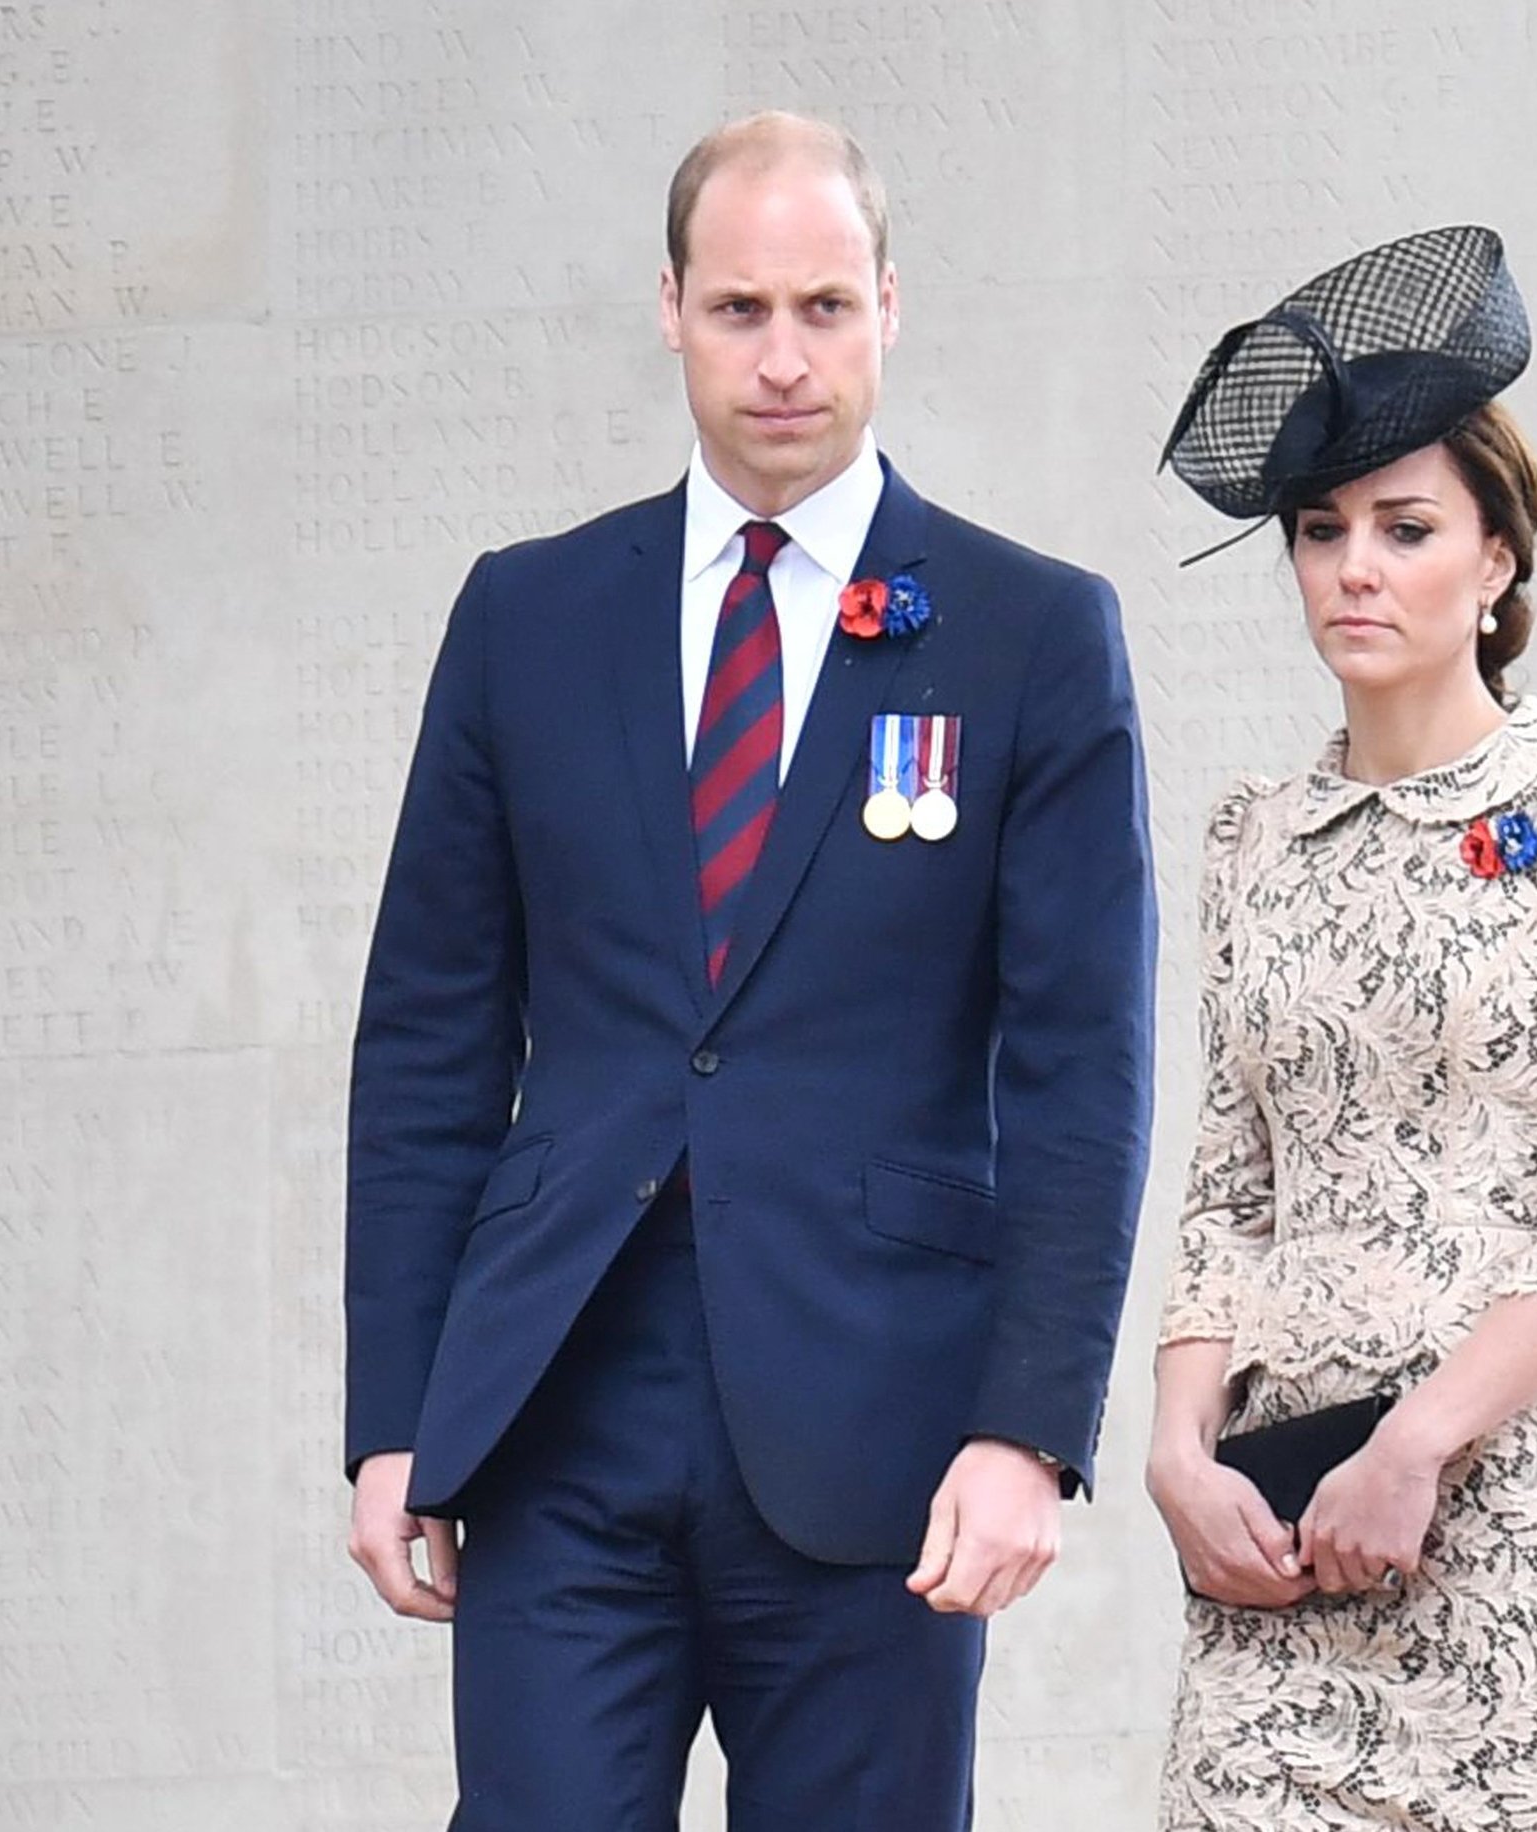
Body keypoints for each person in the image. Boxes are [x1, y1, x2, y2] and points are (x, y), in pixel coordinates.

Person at [340, 112, 1155, 1829]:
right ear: (669, 309)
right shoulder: (525, 616)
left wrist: (1030, 1430)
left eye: (825, 308)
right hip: (557, 1410)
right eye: (738, 311)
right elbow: (426, 1041)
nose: (784, 360)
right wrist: (392, 1420)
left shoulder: (1027, 633)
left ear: (889, 309)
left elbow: (1088, 1073)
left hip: (882, 1439)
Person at [1147, 225, 1537, 1832]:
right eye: (1320, 531)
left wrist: (1418, 1442)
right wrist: (1178, 1453)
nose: (1354, 567)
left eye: (1406, 528)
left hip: (1515, 1542)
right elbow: (1227, 1189)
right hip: (1276, 1552)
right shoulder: (1250, 836)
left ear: (1497, 561)